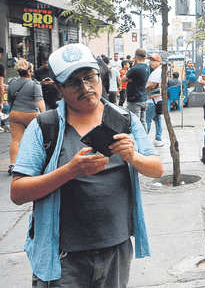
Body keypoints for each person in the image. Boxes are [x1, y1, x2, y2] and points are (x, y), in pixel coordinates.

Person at [10, 43, 163, 286]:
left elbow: (157, 168)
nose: (86, 88)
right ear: (59, 88)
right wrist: (69, 171)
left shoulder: (124, 119)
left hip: (116, 250)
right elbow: (18, 193)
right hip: (63, 258)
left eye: (90, 78)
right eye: (73, 83)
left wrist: (133, 157)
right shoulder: (44, 127)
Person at [7, 59, 45, 175]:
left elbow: (9, 102)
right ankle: (37, 163)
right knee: (38, 139)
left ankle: (13, 164)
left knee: (16, 140)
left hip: (15, 114)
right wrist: (44, 115)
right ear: (29, 71)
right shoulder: (34, 84)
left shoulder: (12, 83)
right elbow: (40, 101)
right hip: (32, 114)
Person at [122, 48, 150, 131]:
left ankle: (137, 140)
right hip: (144, 98)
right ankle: (145, 138)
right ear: (145, 57)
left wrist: (130, 79)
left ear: (135, 56)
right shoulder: (147, 67)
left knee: (135, 122)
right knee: (143, 121)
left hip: (135, 99)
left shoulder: (135, 68)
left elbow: (123, 79)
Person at [145, 53, 164, 147]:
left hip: (152, 100)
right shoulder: (158, 71)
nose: (150, 62)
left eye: (153, 60)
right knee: (157, 120)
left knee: (147, 120)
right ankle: (158, 139)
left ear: (159, 61)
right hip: (157, 100)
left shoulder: (157, 72)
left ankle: (143, 140)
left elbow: (152, 85)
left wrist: (144, 89)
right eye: (150, 60)